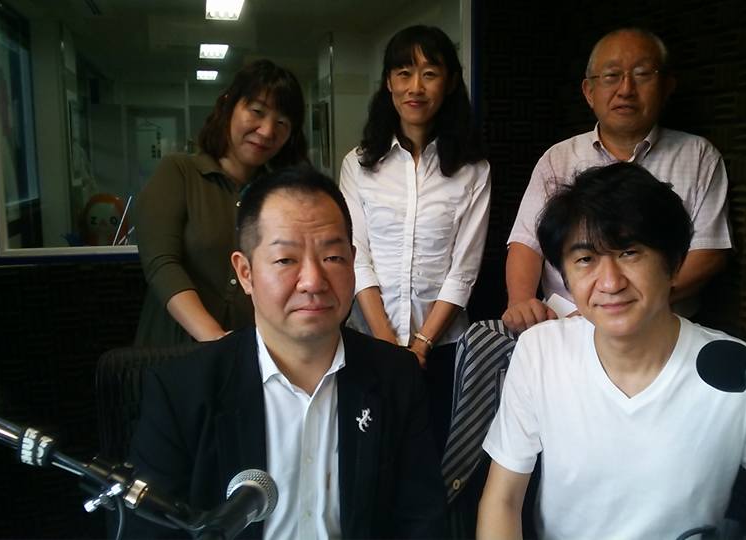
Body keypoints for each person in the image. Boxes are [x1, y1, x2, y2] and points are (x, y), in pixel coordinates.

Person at [477, 163, 746, 540]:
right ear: (566, 276)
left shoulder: (741, 371)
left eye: (630, 253)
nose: (610, 282)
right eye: (585, 260)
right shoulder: (540, 352)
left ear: (674, 263)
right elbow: (503, 499)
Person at [126, 165, 446, 539]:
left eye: (333, 257)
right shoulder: (181, 390)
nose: (313, 281)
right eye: (285, 260)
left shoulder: (395, 377)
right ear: (245, 272)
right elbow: (149, 531)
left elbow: (421, 522)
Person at [502, 27, 732, 333]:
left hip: (660, 329)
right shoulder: (558, 158)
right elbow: (526, 242)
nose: (626, 89)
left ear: (667, 86)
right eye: (611, 76)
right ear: (589, 92)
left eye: (642, 74)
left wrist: (625, 304)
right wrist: (521, 302)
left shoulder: (699, 155)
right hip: (564, 324)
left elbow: (709, 252)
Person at [339, 25, 490, 449]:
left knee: (435, 454)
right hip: (367, 341)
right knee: (368, 452)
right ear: (389, 82)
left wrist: (422, 344)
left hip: (443, 349)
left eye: (430, 73)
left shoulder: (473, 170)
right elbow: (357, 257)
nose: (415, 87)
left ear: (451, 82)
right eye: (404, 73)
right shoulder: (358, 165)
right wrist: (387, 342)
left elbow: (464, 269)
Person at [134, 59, 308, 346]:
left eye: (281, 123)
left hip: (251, 350)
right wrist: (215, 338)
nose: (267, 131)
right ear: (228, 105)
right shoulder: (179, 172)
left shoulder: (280, 194)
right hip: (174, 349)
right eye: (257, 112)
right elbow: (161, 264)